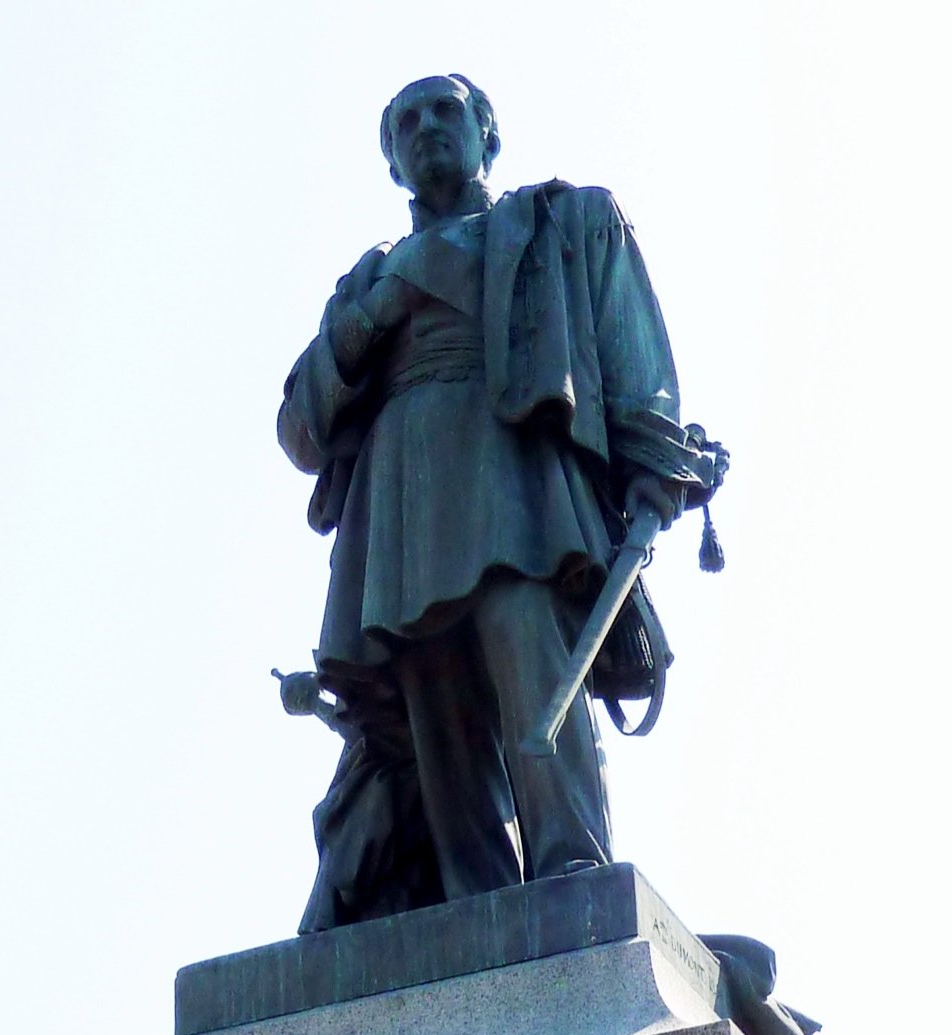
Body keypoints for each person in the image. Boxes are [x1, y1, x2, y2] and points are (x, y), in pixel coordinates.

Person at [278, 73, 715, 918]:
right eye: (405, 122)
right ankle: (471, 907)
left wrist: (655, 462)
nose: (426, 128)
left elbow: (636, 363)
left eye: (446, 110)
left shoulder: (563, 222)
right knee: (436, 718)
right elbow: (301, 429)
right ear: (392, 164)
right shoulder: (365, 281)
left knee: (534, 668)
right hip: (398, 507)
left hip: (515, 475)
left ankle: (569, 870)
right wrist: (376, 312)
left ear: (489, 133)